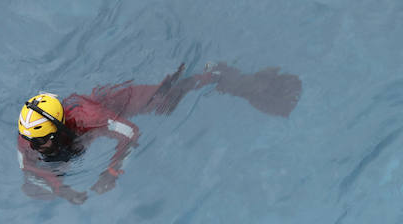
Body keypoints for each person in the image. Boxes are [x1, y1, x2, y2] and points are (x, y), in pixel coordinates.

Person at [17, 62, 302, 203]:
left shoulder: (90, 117)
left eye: (42, 140)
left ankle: (215, 74)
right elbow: (26, 165)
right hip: (84, 127)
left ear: (60, 125)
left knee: (168, 101)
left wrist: (112, 172)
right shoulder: (30, 134)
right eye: (34, 140)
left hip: (117, 103)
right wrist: (62, 190)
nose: (36, 146)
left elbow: (130, 133)